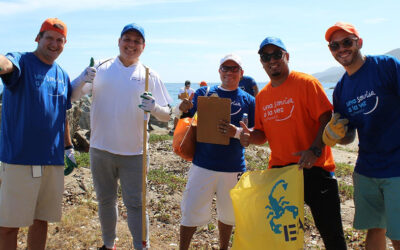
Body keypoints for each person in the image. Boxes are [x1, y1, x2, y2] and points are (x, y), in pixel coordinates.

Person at [72, 23, 172, 250]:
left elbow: (167, 116)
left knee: (136, 205)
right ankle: (109, 244)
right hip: (100, 150)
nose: (131, 45)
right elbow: (74, 95)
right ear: (119, 41)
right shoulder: (101, 67)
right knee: (106, 201)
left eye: (137, 41)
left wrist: (154, 107)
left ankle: (141, 246)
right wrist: (82, 78)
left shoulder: (149, 74)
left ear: (143, 47)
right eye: (127, 39)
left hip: (135, 153)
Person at [240, 37, 347, 249]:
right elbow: (262, 135)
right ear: (261, 62)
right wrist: (249, 136)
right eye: (265, 56)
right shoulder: (263, 97)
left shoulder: (307, 83)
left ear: (287, 56)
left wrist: (315, 150)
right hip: (281, 172)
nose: (272, 60)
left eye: (277, 54)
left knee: (332, 234)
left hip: (316, 168)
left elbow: (326, 119)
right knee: (283, 237)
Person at [0, 18, 87, 250]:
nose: (54, 43)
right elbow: (5, 65)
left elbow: (62, 115)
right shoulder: (22, 61)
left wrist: (68, 148)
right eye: (49, 37)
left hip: (52, 161)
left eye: (60, 40)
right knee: (8, 225)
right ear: (38, 38)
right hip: (19, 159)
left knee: (41, 221)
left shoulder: (61, 73)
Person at [323, 22, 400, 250]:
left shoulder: (386, 66)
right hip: (367, 169)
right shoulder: (340, 90)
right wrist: (335, 135)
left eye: (347, 42)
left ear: (359, 42)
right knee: (375, 228)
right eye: (334, 45)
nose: (341, 49)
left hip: (397, 167)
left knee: (398, 234)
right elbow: (348, 135)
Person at [178, 53, 255, 250]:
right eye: (225, 68)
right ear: (219, 71)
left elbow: (255, 133)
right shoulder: (205, 92)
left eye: (234, 69)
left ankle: (223, 248)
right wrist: (184, 108)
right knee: (190, 212)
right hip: (202, 164)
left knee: (228, 215)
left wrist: (236, 132)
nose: (229, 72)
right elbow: (187, 116)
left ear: (241, 73)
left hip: (233, 167)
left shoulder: (249, 100)